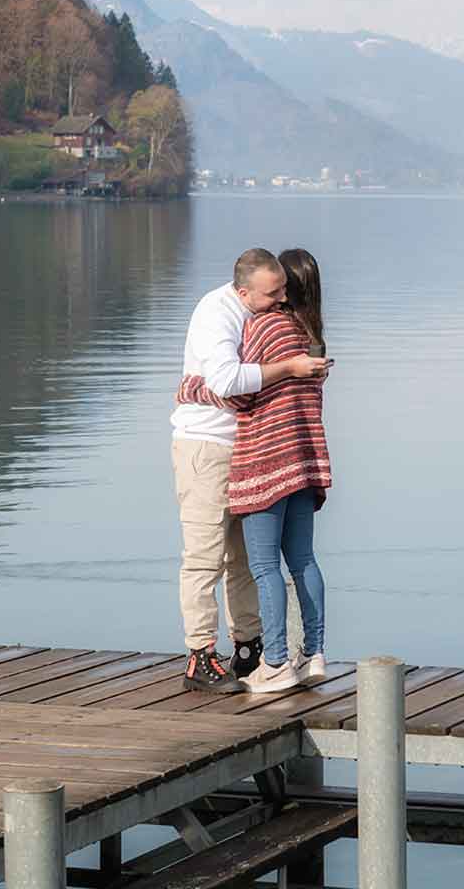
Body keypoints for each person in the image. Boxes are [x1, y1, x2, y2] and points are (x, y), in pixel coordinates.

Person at [171, 248, 329, 693]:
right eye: (271, 293)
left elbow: (233, 389)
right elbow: (228, 382)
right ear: (244, 291)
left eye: (283, 289)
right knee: (204, 557)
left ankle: (249, 647)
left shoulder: (267, 320)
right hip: (206, 448)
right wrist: (289, 369)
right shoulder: (216, 313)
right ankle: (200, 655)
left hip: (249, 451)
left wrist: (190, 388)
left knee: (244, 560)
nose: (280, 299)